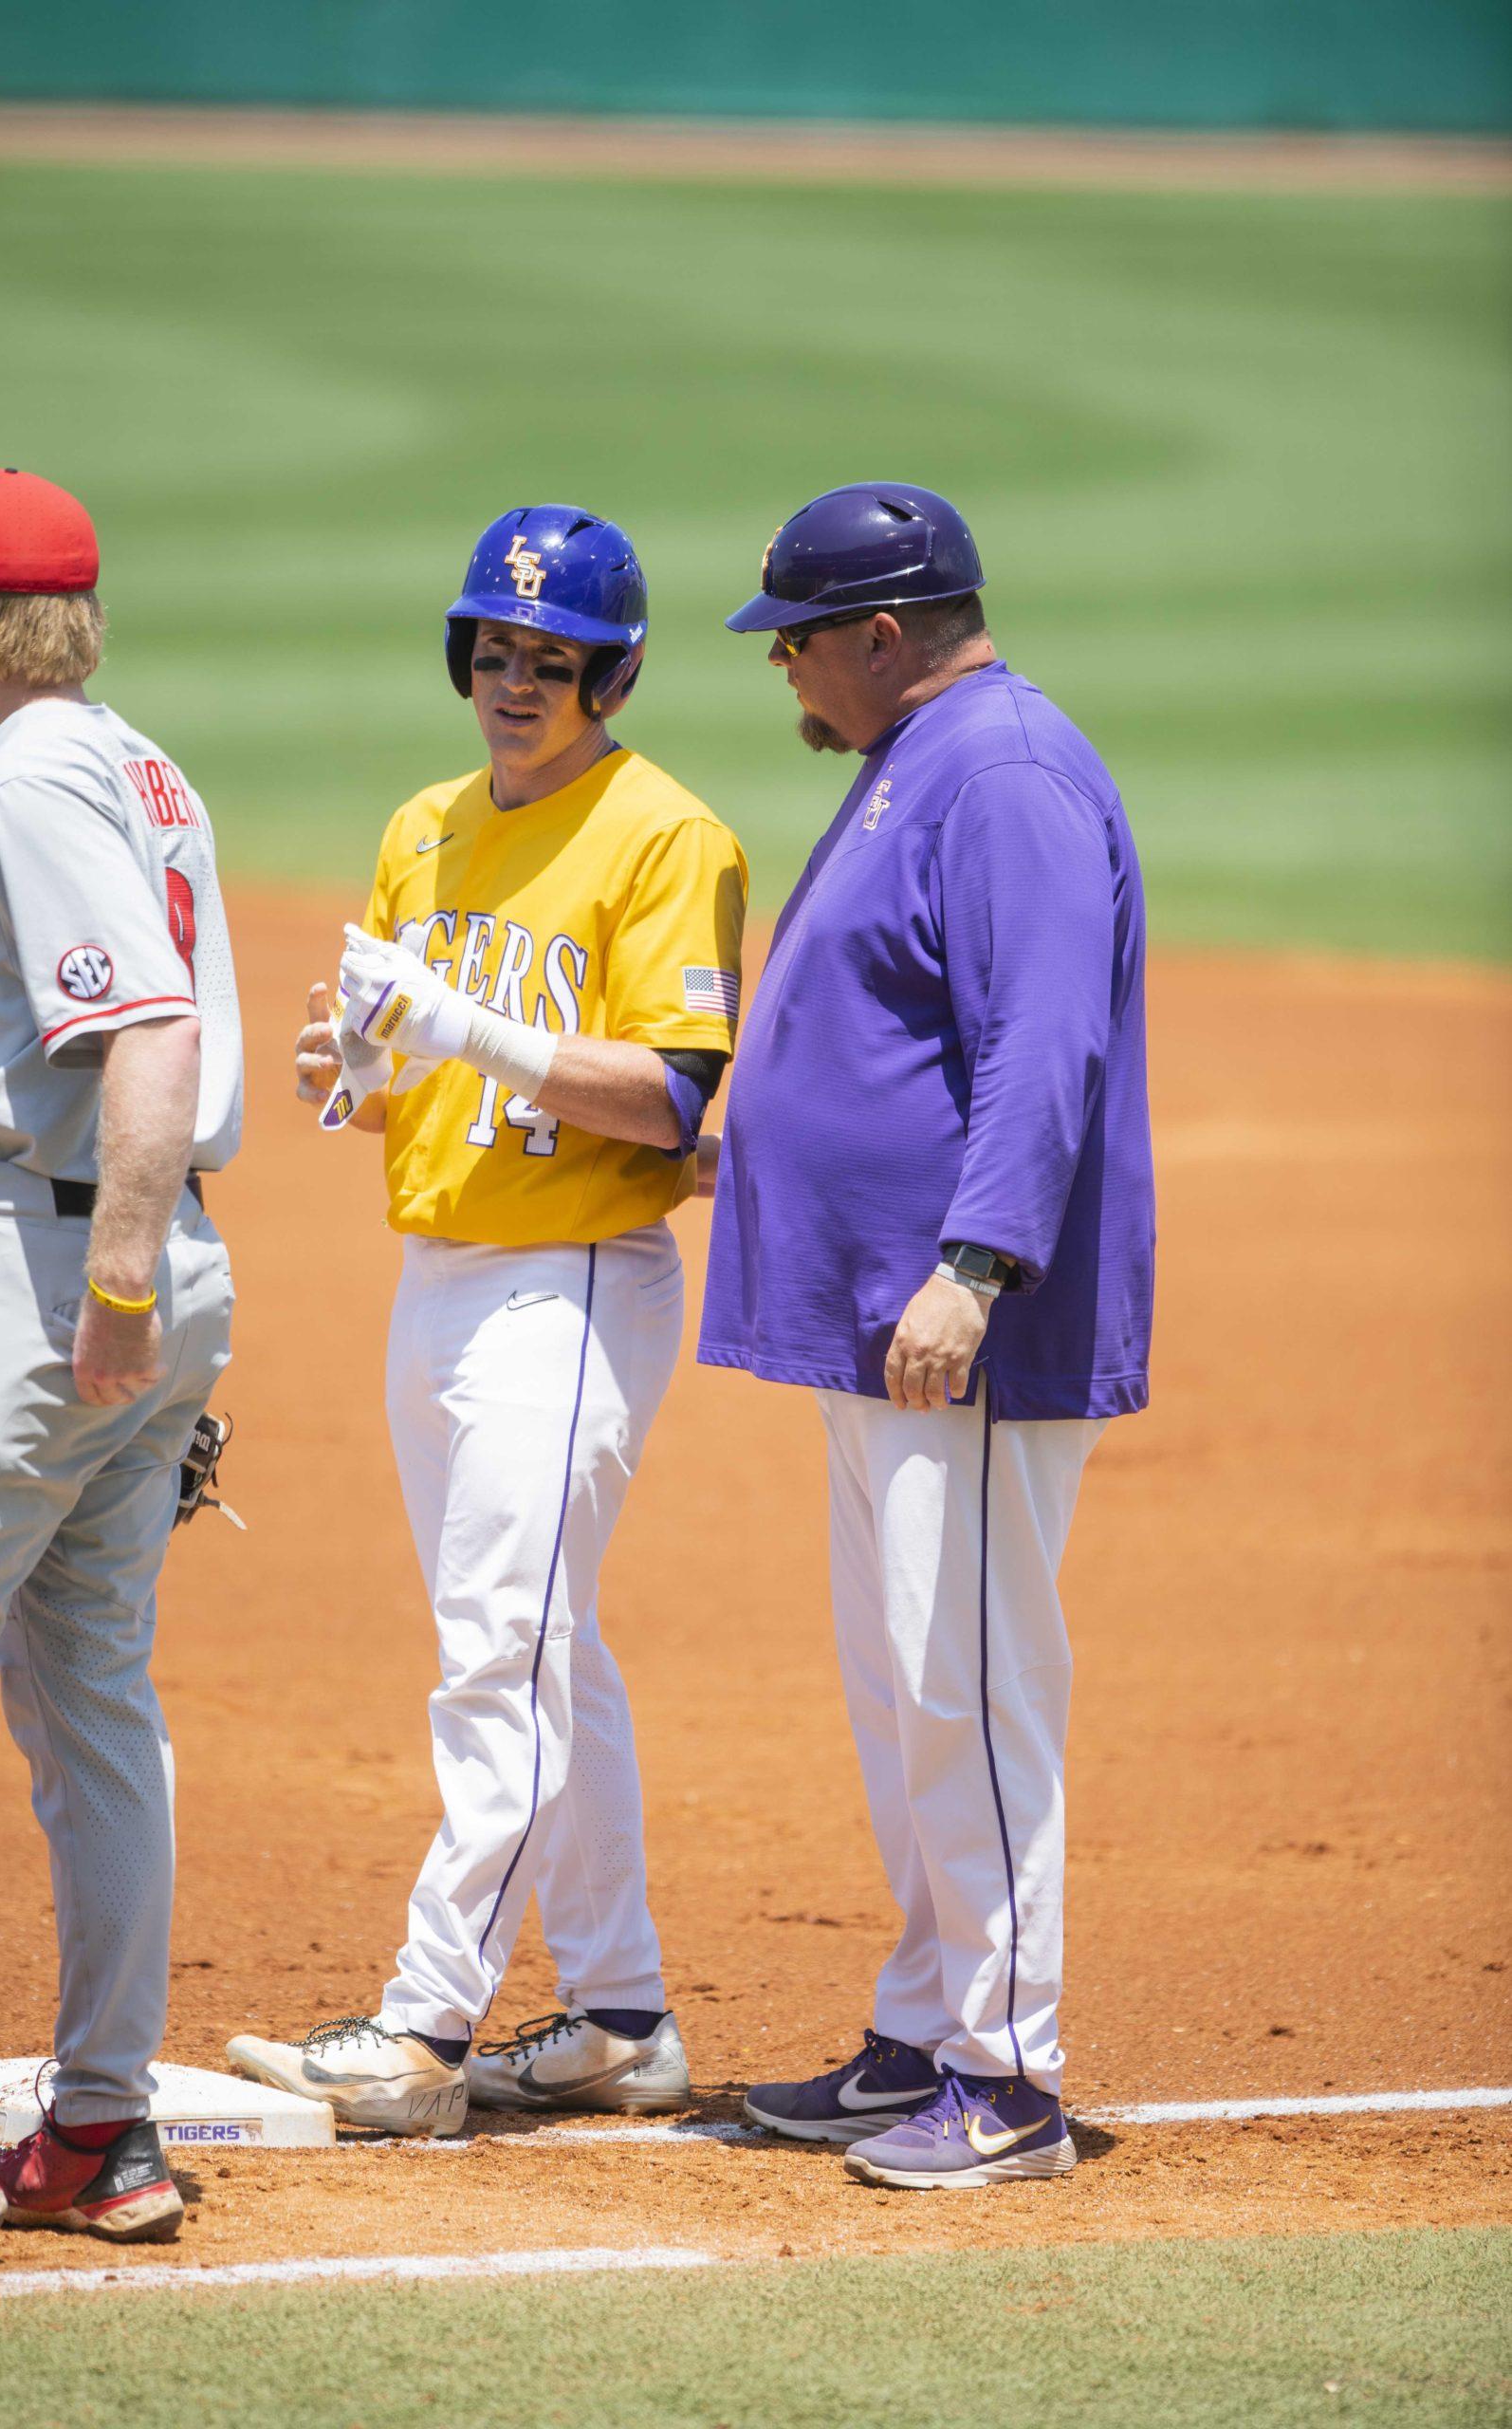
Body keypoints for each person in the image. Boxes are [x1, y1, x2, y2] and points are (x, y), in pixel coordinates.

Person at [228, 506, 747, 2134]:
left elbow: (673, 1096)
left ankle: (425, 2028)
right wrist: (361, 1074)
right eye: (496, 652)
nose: (517, 683)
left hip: (577, 1284)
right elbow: (405, 1079)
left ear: (614, 672)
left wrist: (469, 1027)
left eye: (554, 660)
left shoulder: (668, 838)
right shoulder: (425, 826)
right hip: (437, 1281)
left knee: (497, 1653)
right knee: (548, 1650)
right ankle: (619, 2015)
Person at [699, 482, 1154, 2191]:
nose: (787, 673)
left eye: (800, 642)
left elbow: (1044, 1041)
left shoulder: (1010, 770)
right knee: (909, 1694)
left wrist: (974, 1265)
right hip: (884, 1332)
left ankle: (1013, 2074)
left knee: (969, 1689)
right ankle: (920, 2030)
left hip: (964, 1333)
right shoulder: (924, 754)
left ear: (884, 633)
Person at [0, 468, 242, 2250]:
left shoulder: (26, 772)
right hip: (154, 1258)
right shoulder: (132, 755)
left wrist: (107, 1287)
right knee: (88, 1692)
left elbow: (149, 1029)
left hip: (48, 1257)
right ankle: (101, 2130)